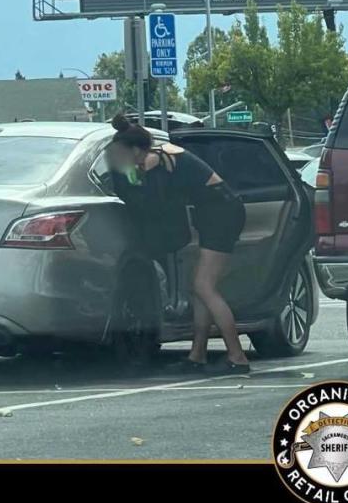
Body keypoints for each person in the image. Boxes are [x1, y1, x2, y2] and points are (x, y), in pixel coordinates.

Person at [106, 114, 250, 374]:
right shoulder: (160, 153)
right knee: (200, 287)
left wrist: (125, 176)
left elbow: (141, 195)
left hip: (221, 212)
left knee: (204, 286)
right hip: (216, 210)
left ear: (136, 150)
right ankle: (198, 355)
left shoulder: (152, 161)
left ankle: (237, 356)